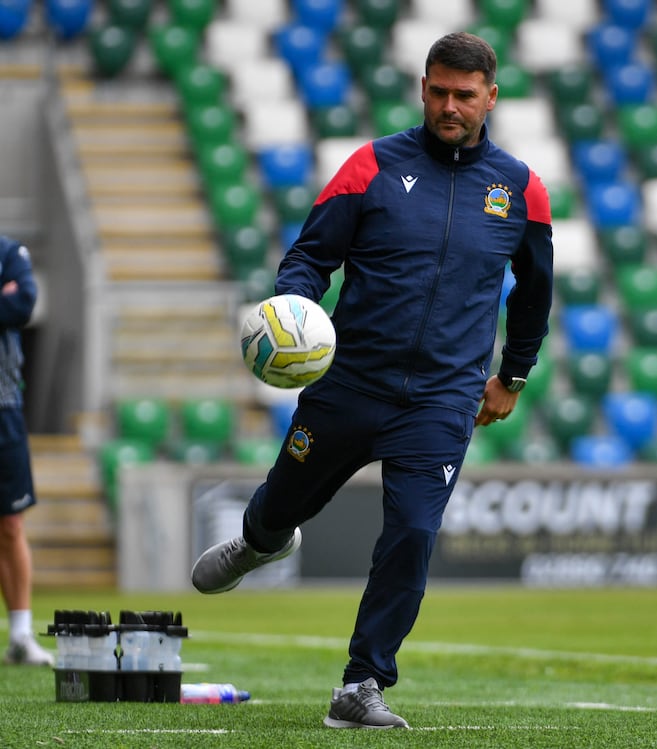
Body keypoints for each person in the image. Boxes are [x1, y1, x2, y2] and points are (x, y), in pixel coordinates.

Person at [192, 32, 553, 728]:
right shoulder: (370, 166)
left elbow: (535, 292)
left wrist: (514, 373)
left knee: (413, 531)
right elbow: (309, 257)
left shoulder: (522, 189)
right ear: (423, 88)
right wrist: (292, 309)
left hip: (443, 397)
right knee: (282, 504)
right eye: (439, 91)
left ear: (491, 98)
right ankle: (263, 539)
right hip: (350, 380)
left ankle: (362, 683)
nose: (450, 106)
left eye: (465, 95)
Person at [0, 235, 53, 667]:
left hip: (4, 409)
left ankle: (20, 635)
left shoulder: (9, 252)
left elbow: (23, 305)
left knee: (10, 525)